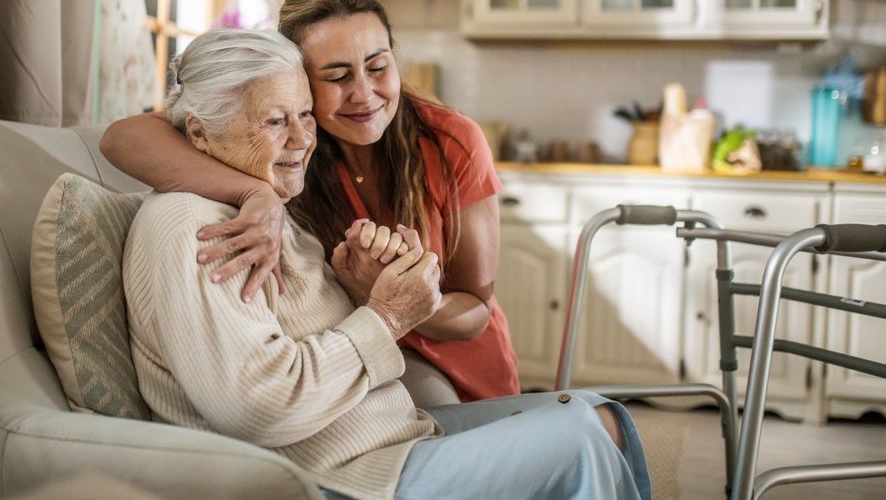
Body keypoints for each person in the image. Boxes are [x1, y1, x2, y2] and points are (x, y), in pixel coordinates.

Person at [123, 27, 651, 500]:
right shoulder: (198, 229)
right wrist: (387, 315)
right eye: (275, 121)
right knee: (577, 438)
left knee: (596, 412)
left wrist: (362, 287)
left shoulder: (261, 203)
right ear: (199, 133)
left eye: (305, 115)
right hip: (348, 475)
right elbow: (259, 405)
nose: (303, 139)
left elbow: (308, 327)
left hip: (389, 439)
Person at [102, 0, 518, 405]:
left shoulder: (450, 141)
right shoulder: (291, 151)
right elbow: (122, 138)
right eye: (337, 76)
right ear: (299, 79)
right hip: (359, 361)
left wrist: (399, 298)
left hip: (461, 367)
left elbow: (476, 310)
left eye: (378, 67)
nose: (364, 94)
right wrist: (256, 194)